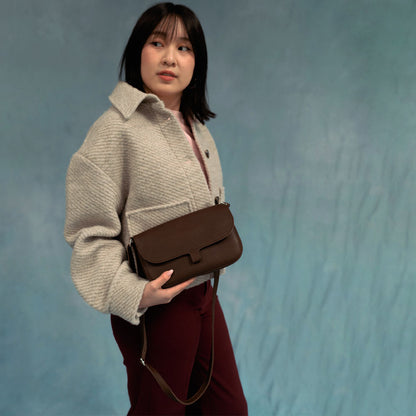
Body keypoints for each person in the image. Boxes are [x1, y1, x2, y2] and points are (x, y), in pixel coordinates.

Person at [64, 3, 247, 415]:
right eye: (157, 42)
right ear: (138, 51)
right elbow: (89, 233)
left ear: (197, 62)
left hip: (204, 295)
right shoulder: (113, 131)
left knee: (228, 408)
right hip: (156, 307)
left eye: (184, 47)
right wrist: (136, 293)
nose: (170, 58)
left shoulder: (197, 128)